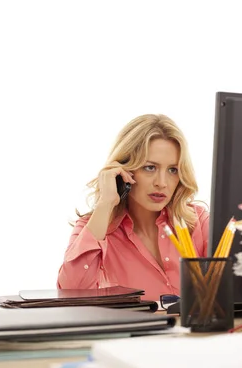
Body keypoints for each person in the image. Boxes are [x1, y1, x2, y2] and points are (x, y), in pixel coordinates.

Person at [57, 114, 209, 301]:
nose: (162, 183)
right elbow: (71, 294)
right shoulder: (94, 229)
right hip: (137, 331)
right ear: (124, 169)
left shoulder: (198, 221)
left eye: (172, 170)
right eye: (150, 167)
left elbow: (237, 286)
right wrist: (105, 204)